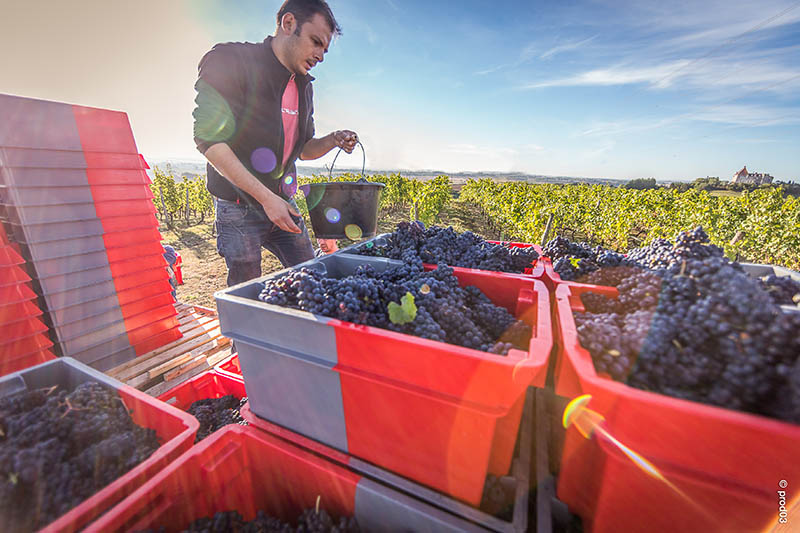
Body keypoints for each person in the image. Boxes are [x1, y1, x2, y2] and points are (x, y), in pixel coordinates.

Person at [193, 0, 357, 287]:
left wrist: (333, 140)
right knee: (248, 291)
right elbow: (209, 141)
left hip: (282, 201)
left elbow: (303, 150)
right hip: (238, 206)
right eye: (315, 42)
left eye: (325, 49)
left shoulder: (304, 86)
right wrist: (266, 199)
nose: (320, 55)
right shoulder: (230, 60)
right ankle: (243, 333)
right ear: (289, 24)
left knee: (312, 275)